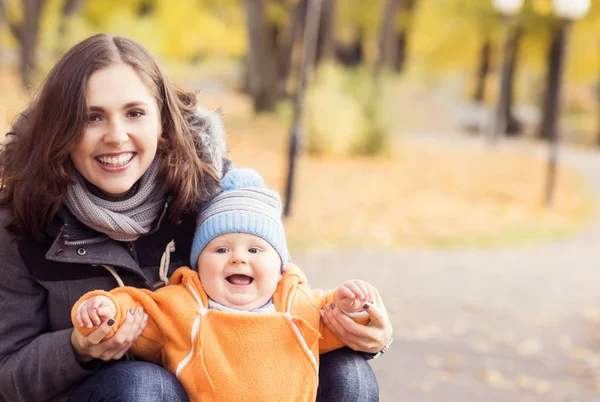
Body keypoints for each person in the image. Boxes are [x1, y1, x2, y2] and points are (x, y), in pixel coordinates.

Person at [0, 33, 392, 402]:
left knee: (348, 374)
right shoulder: (21, 219)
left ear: (162, 123)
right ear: (61, 127)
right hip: (110, 392)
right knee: (143, 384)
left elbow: (279, 295)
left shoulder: (208, 191)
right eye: (92, 117)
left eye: (135, 113)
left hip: (225, 381)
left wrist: (364, 327)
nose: (116, 136)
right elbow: (6, 372)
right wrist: (77, 349)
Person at [72, 169, 383, 401]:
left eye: (255, 250)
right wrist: (105, 309)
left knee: (351, 371)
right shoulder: (184, 307)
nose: (237, 259)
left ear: (279, 269)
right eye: (221, 250)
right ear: (198, 265)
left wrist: (353, 307)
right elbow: (138, 307)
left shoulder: (298, 307)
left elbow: (338, 320)